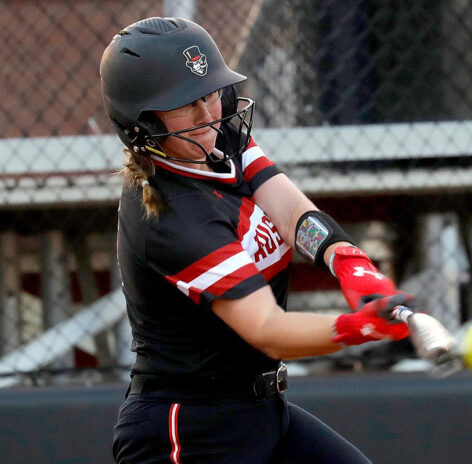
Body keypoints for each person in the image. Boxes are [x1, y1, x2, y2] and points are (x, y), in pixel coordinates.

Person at [100, 16, 411, 464]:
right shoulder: (174, 218)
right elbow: (269, 331)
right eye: (186, 104)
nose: (207, 115)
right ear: (142, 123)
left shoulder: (216, 140)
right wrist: (356, 327)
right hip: (189, 432)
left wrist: (348, 262)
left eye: (209, 94)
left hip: (261, 410)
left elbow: (292, 212)